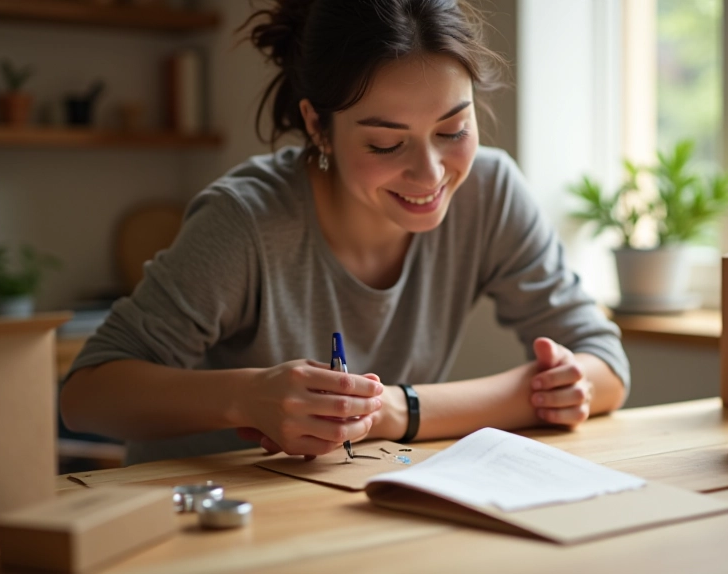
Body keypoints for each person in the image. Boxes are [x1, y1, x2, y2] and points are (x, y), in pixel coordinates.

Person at [60, 0, 630, 465]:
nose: (430, 174)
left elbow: (604, 365)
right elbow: (87, 396)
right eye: (386, 143)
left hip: (358, 500)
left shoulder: (490, 190)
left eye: (453, 129)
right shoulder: (247, 221)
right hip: (202, 513)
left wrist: (399, 410)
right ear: (318, 126)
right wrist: (246, 398)